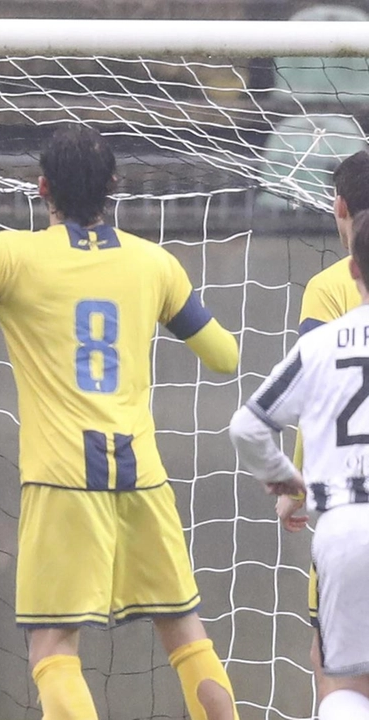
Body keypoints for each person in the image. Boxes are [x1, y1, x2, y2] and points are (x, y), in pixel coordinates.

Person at [0, 125, 241, 720]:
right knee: (185, 634)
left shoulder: (12, 256)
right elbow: (226, 357)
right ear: (114, 189)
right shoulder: (155, 264)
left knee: (53, 648)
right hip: (141, 476)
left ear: (41, 187)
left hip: (60, 477)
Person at [229, 209, 369, 720]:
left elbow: (247, 426)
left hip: (345, 525)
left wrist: (284, 477)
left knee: (343, 685)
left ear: (353, 269)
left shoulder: (320, 344)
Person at [286, 150, 369, 705]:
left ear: (339, 208)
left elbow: (316, 396)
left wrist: (296, 486)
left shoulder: (328, 286)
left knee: (334, 669)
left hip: (348, 505)